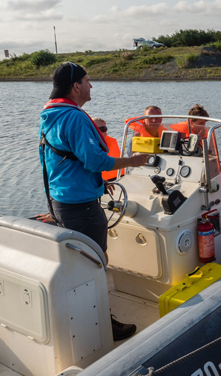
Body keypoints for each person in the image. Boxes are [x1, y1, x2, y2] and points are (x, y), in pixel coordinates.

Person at [39, 62, 150, 341]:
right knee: (94, 263)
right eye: (88, 80)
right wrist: (133, 161)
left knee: (77, 263)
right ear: (76, 86)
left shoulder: (50, 115)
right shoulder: (74, 118)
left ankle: (78, 320)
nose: (91, 85)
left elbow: (61, 160)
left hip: (62, 200)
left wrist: (101, 183)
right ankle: (101, 323)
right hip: (82, 208)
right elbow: (94, 160)